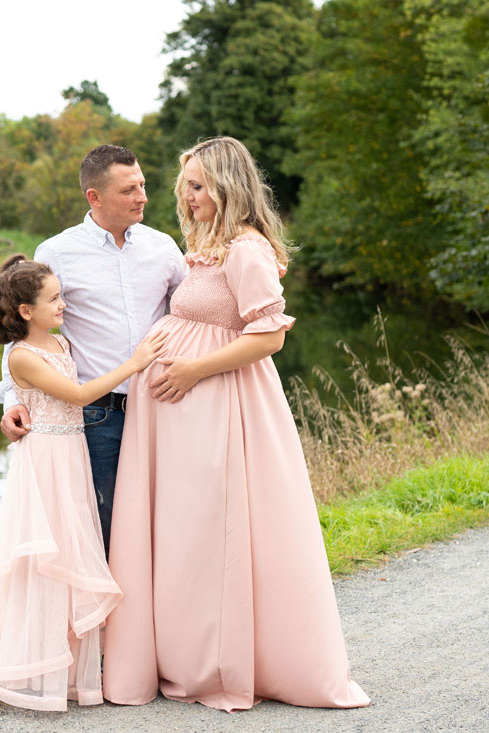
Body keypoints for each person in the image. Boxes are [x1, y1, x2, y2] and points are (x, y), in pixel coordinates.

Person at [102, 137, 370, 712]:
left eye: (198, 185)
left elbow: (268, 335)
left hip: (219, 409)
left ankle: (221, 660)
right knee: (183, 536)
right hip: (182, 417)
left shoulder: (246, 249)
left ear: (227, 186)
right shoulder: (206, 247)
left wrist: (193, 369)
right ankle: (181, 651)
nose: (187, 196)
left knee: (212, 532)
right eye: (185, 185)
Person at [0, 254, 168, 711]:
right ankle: (33, 662)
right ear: (26, 311)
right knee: (47, 555)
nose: (63, 305)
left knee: (76, 548)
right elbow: (76, 395)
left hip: (72, 455)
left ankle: (72, 667)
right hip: (45, 461)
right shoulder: (23, 357)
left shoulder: (62, 344)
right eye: (54, 299)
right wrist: (134, 363)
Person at [0, 145, 187, 557]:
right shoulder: (56, 252)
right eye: (129, 190)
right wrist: (13, 399)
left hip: (164, 405)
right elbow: (22, 332)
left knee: (170, 521)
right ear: (94, 197)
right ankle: (107, 623)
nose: (143, 197)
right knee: (105, 528)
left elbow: (193, 312)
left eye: (142, 185)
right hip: (97, 417)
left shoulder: (165, 247)